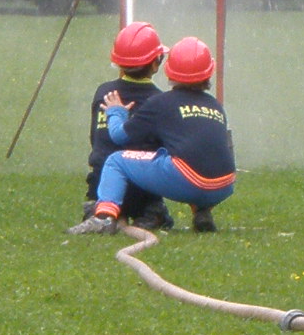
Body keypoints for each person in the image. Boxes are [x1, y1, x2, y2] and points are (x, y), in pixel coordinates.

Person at [69, 36, 234, 235]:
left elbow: (119, 136)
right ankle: (202, 212)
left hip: (187, 181)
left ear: (168, 70)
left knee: (116, 161)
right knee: (196, 155)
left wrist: (116, 111)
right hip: (224, 184)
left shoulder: (160, 102)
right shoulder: (215, 105)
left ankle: (104, 217)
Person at [81, 23, 176, 232]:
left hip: (100, 183)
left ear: (118, 63)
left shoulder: (103, 92)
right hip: (141, 188)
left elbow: (96, 140)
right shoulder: (159, 100)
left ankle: (103, 211)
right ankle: (150, 214)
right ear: (155, 64)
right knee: (153, 203)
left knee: (103, 177)